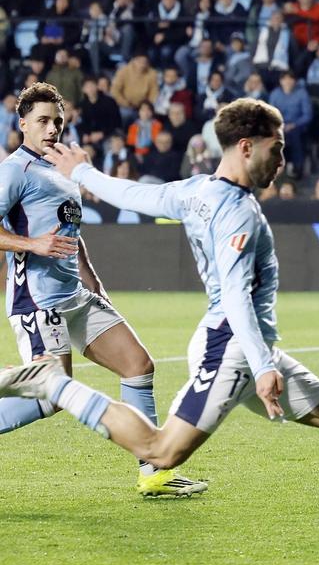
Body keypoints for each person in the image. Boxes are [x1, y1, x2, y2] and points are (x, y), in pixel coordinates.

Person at [5, 98, 319, 561]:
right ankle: (54, 385)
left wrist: (86, 174)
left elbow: (136, 196)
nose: (282, 160)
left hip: (244, 346)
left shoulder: (196, 191)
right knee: (162, 450)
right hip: (232, 349)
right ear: (247, 147)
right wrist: (263, 366)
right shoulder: (238, 213)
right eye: (277, 148)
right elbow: (236, 296)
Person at [0, 83, 203, 496]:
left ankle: (154, 472)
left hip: (76, 295)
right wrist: (32, 244)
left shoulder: (62, 168)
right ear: (22, 124)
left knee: (138, 365)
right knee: (52, 396)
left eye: (58, 121)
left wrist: (94, 283)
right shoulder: (14, 170)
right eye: (42, 121)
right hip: (38, 302)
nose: (52, 129)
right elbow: (33, 238)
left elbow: (71, 233)